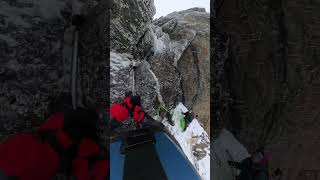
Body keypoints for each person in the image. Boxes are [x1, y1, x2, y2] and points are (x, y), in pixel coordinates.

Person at [0, 107, 108, 180]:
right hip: (36, 163)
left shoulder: (58, 120)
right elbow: (86, 172)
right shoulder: (86, 143)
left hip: (19, 151)